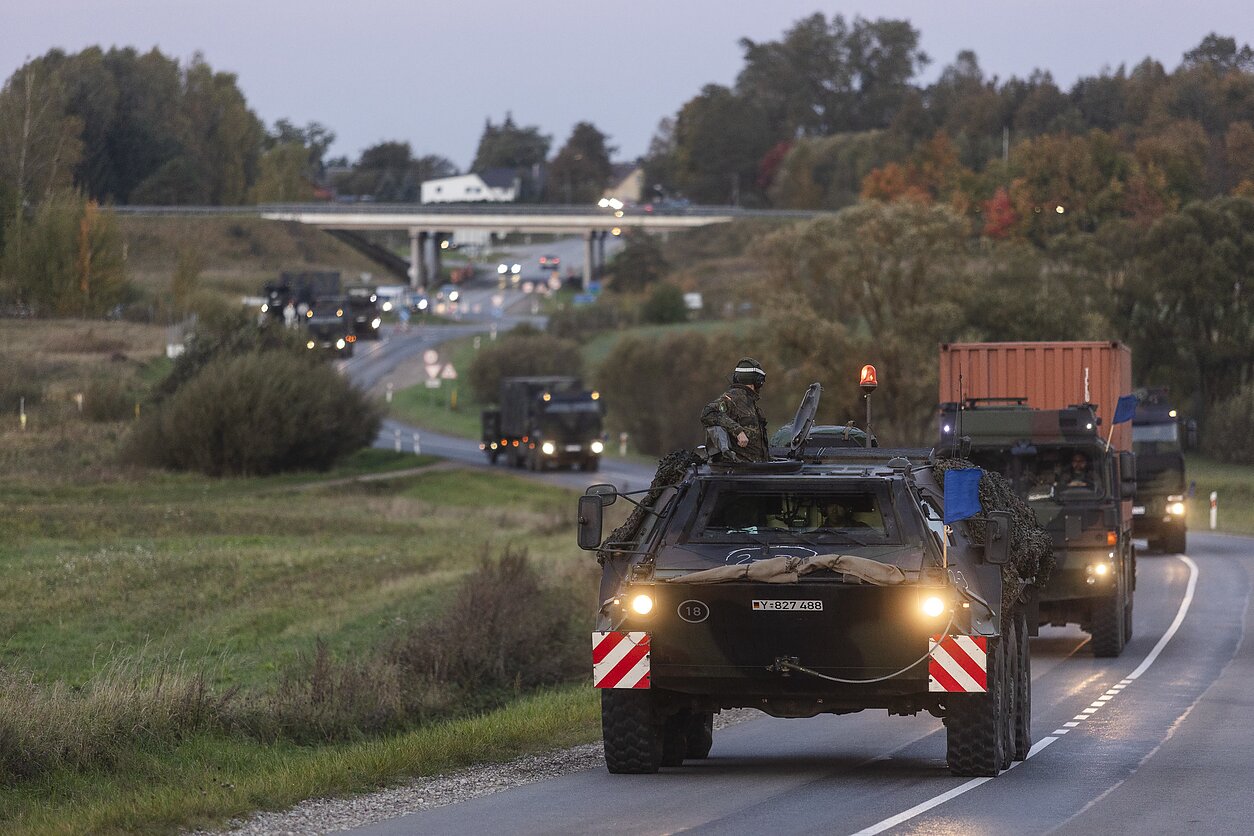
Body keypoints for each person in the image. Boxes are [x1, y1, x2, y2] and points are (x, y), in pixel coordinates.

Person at [701, 358, 769, 462]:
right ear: (758, 381)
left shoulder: (749, 401)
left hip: (756, 467)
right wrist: (738, 431)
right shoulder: (732, 398)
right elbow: (708, 413)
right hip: (741, 469)